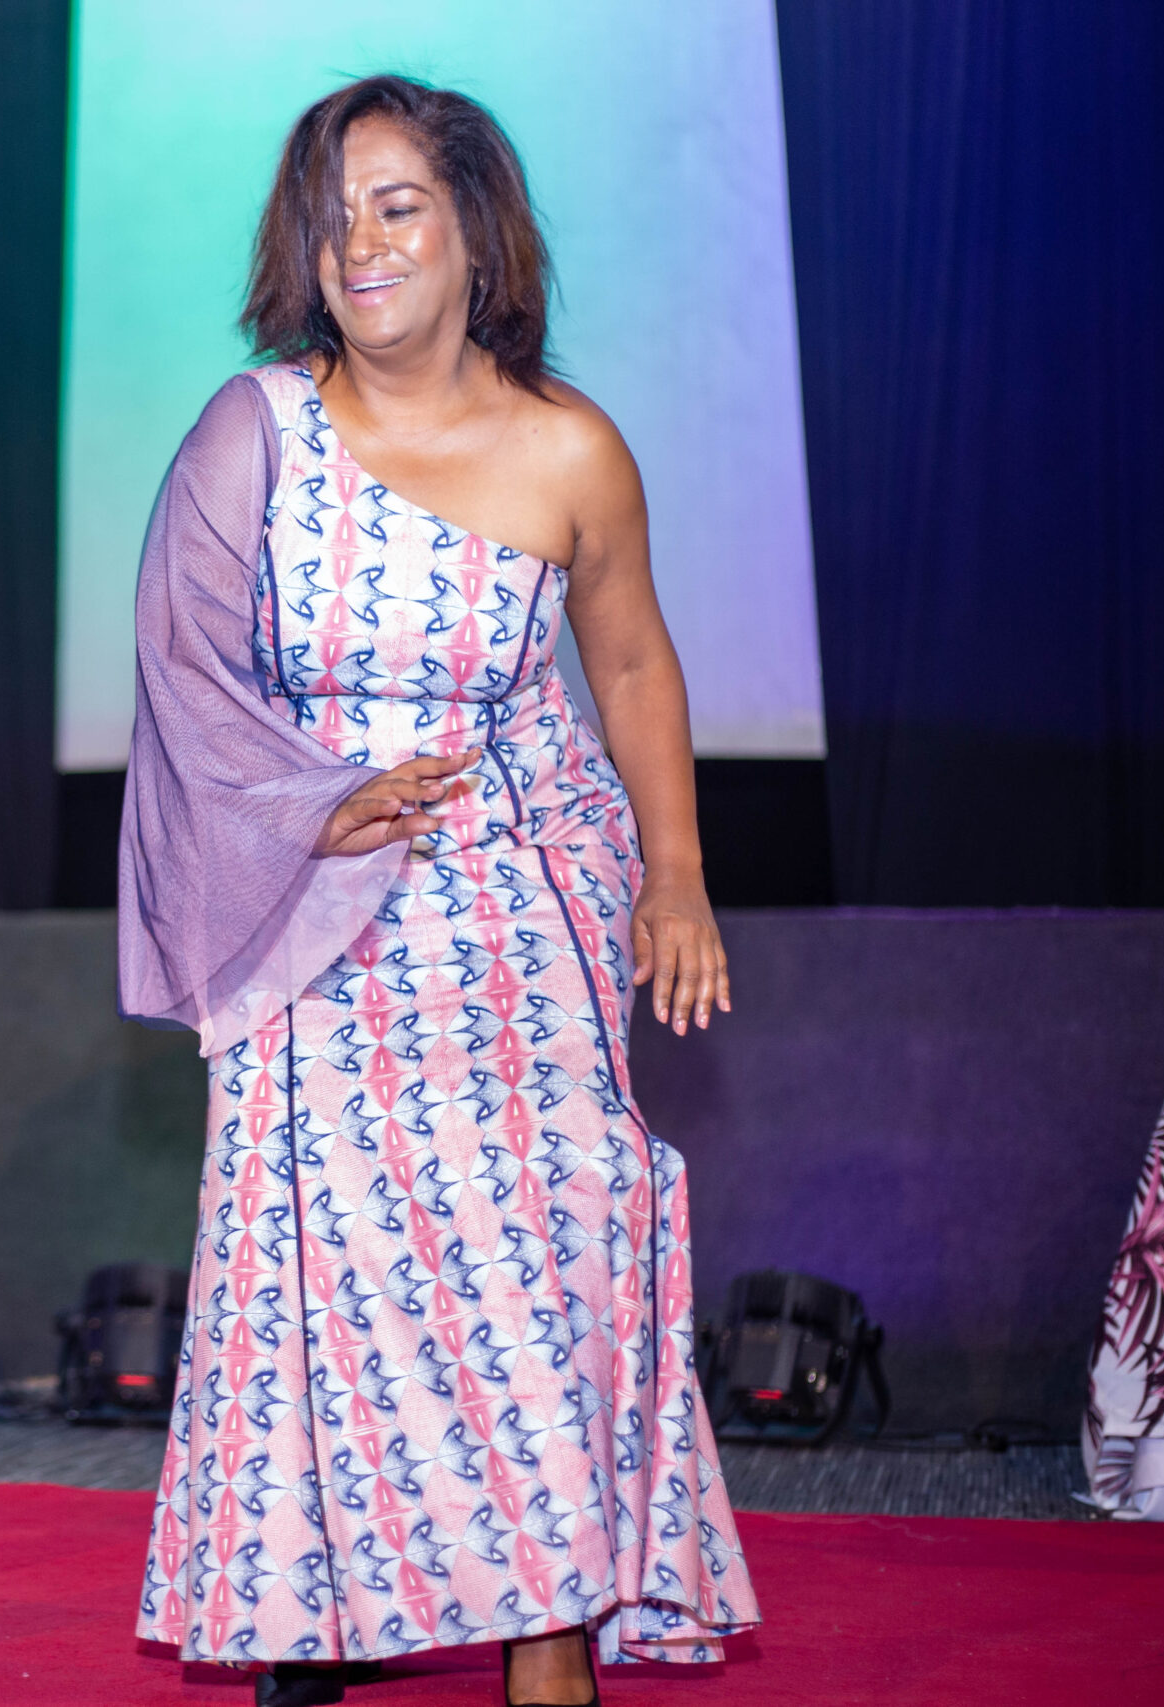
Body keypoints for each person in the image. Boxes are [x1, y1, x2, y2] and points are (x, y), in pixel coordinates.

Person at [118, 78, 760, 1707]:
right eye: (332, 216)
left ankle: (549, 1635)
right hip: (313, 903)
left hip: (522, 896)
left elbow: (631, 663)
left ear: (477, 227)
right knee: (336, 1267)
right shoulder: (253, 431)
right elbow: (183, 670)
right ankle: (315, 1601)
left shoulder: (570, 446)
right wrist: (310, 806)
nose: (363, 243)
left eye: (397, 204)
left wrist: (677, 876)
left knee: (549, 1249)